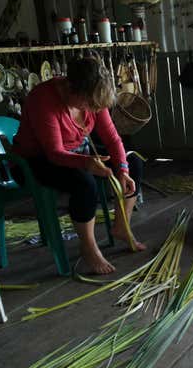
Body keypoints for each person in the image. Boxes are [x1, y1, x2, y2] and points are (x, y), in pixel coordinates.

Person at [12, 54, 145, 274]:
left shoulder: (92, 95)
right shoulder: (43, 99)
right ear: (72, 89)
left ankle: (122, 226)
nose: (92, 109)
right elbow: (54, 153)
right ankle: (89, 247)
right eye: (89, 104)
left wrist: (122, 169)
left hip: (75, 153)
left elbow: (112, 139)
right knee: (84, 182)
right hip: (33, 162)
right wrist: (87, 164)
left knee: (133, 162)